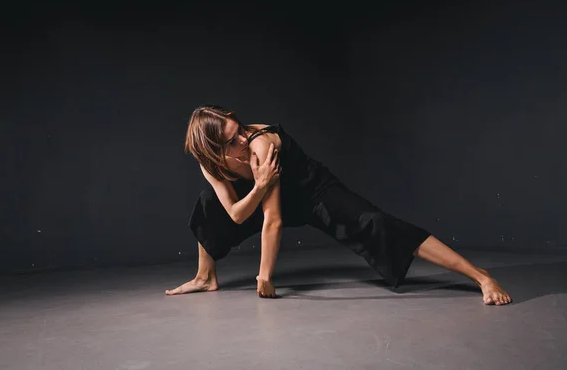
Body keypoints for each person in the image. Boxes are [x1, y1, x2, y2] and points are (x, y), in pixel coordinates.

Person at [166, 105, 512, 305]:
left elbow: (273, 220)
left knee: (375, 222)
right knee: (208, 202)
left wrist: (265, 277)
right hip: (265, 189)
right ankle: (205, 276)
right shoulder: (209, 163)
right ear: (215, 150)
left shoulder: (261, 147)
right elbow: (235, 214)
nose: (242, 137)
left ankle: (479, 277)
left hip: (311, 191)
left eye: (239, 128)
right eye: (231, 139)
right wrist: (259, 185)